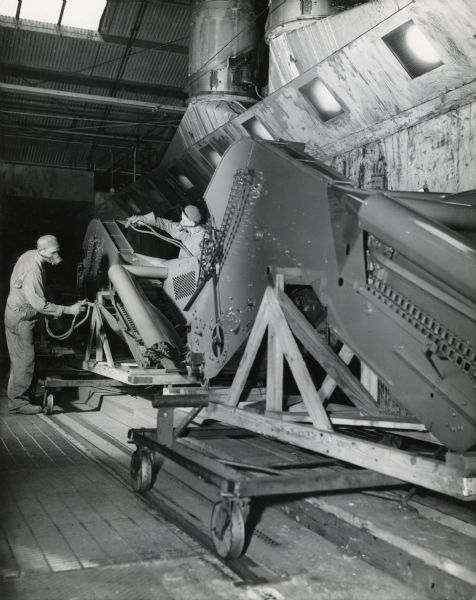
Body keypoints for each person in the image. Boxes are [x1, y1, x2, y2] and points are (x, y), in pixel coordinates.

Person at [4, 235, 85, 415]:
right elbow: (39, 305)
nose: (57, 255)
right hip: (21, 319)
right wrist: (69, 310)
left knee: (18, 359)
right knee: (25, 360)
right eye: (53, 252)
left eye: (58, 251)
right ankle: (18, 403)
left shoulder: (29, 255)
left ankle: (18, 396)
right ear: (42, 251)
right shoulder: (33, 271)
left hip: (15, 312)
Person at [125, 204, 205, 260]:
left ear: (192, 223)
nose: (181, 222)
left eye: (184, 220)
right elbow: (166, 224)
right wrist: (142, 218)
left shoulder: (201, 242)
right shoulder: (188, 230)